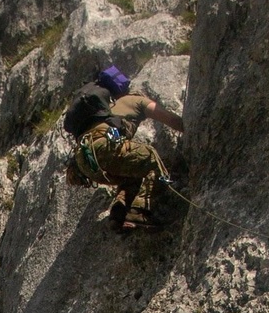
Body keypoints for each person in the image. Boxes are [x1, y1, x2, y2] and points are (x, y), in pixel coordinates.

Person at [66, 66, 183, 229]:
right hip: (104, 148)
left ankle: (119, 213)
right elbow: (170, 119)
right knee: (149, 158)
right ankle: (138, 211)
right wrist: (190, 127)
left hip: (85, 162)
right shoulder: (134, 99)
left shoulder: (100, 111)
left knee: (133, 172)